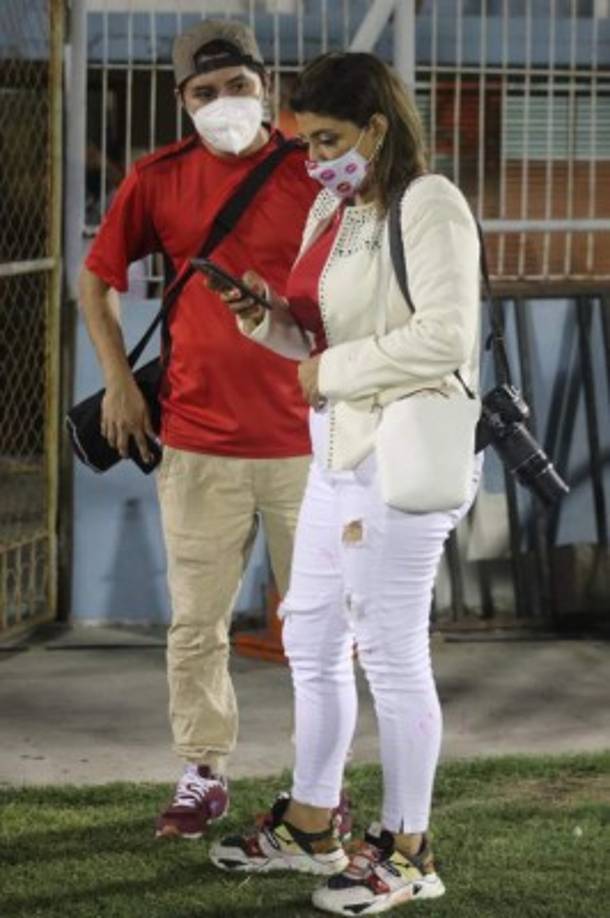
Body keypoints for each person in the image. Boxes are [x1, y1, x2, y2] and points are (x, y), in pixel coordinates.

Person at [209, 51, 483, 915]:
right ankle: (312, 823)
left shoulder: (428, 203)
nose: (314, 157)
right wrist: (270, 323)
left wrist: (329, 372)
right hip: (336, 450)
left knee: (393, 652)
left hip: (398, 457)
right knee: (312, 636)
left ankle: (408, 850)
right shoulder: (336, 203)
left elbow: (446, 336)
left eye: (327, 138)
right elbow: (319, 337)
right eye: (303, 142)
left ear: (375, 126)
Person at [79, 19, 322, 839]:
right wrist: (119, 382)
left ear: (269, 88)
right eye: (205, 92)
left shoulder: (316, 170)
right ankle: (203, 774)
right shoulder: (158, 179)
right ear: (183, 101)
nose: (224, 103)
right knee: (196, 626)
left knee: (322, 630)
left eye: (238, 87)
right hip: (196, 444)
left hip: (309, 443)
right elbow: (96, 281)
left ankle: (320, 787)